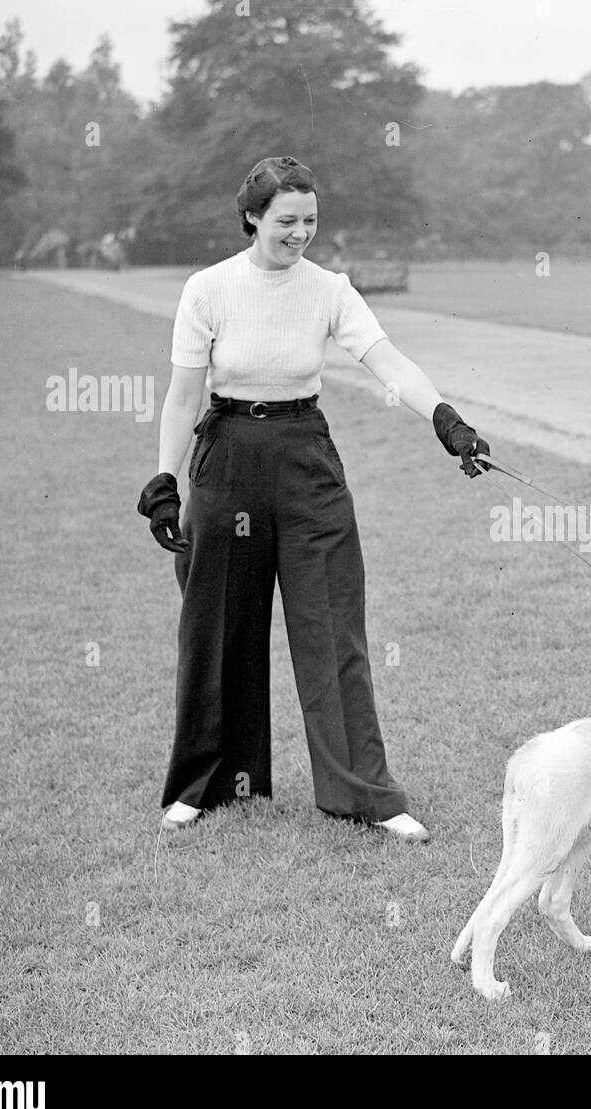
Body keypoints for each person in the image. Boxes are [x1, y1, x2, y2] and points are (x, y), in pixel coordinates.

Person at [137, 155, 489, 842]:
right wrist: (164, 484)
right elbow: (183, 394)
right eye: (286, 221)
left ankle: (365, 795)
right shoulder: (208, 290)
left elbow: (387, 361)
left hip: (306, 460)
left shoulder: (329, 290)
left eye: (310, 221)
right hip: (227, 456)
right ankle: (207, 785)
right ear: (252, 218)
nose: (300, 234)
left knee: (332, 629)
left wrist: (446, 420)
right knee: (217, 631)